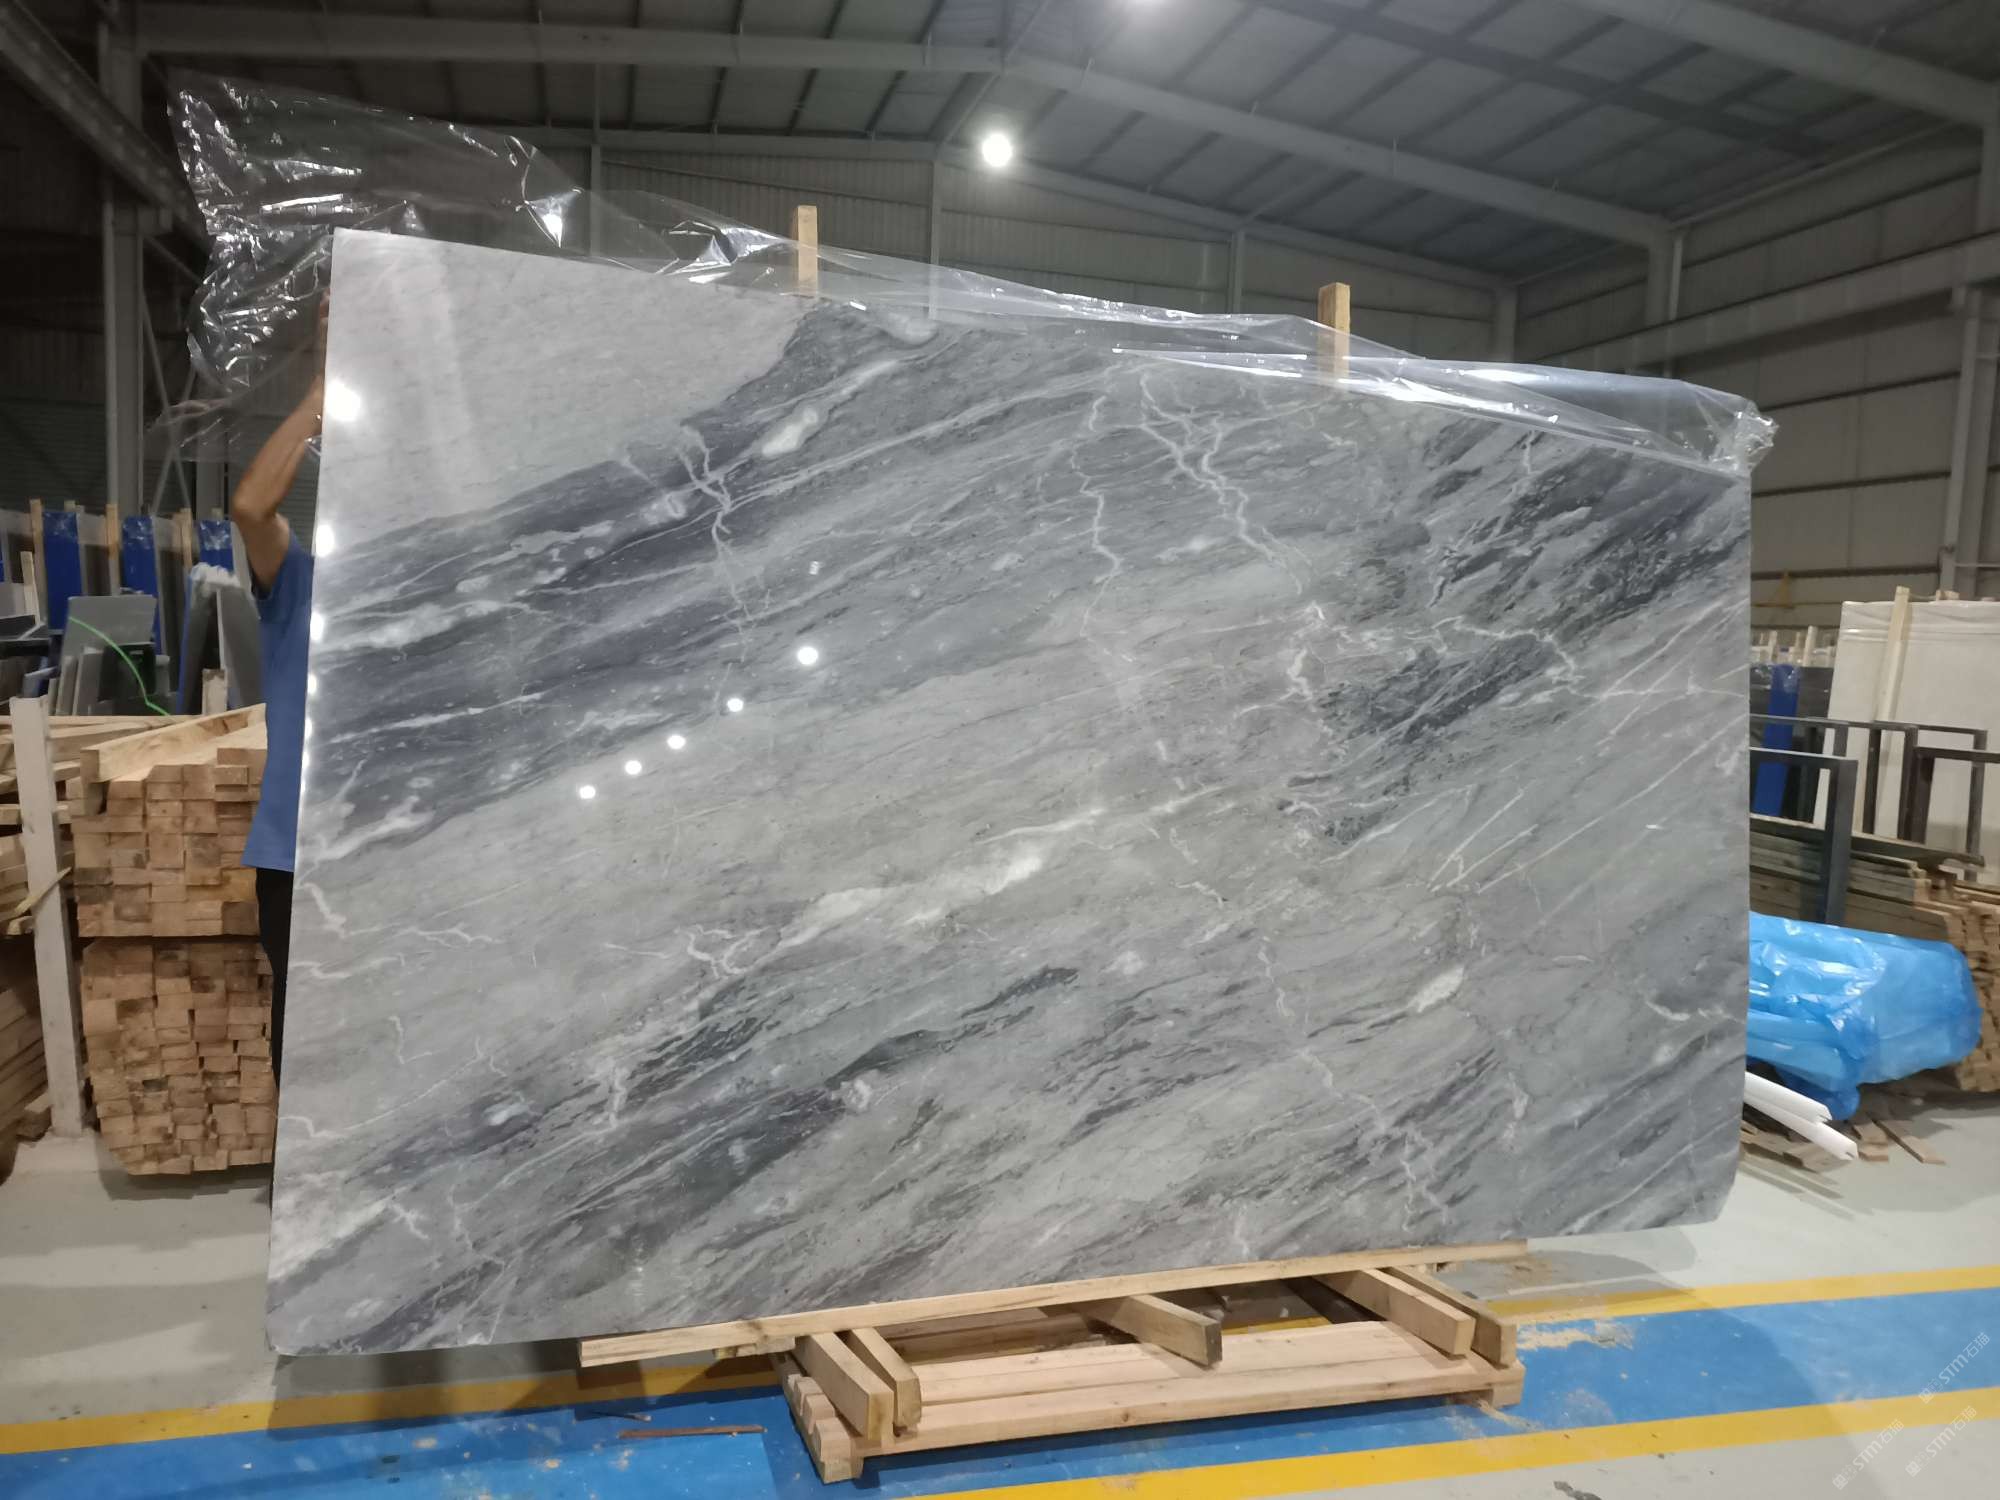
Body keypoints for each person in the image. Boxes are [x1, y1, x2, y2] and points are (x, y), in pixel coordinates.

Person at [230, 360, 322, 1082]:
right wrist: (322, 391)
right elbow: (251, 508)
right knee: (309, 1051)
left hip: (393, 844)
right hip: (298, 855)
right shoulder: (299, 583)